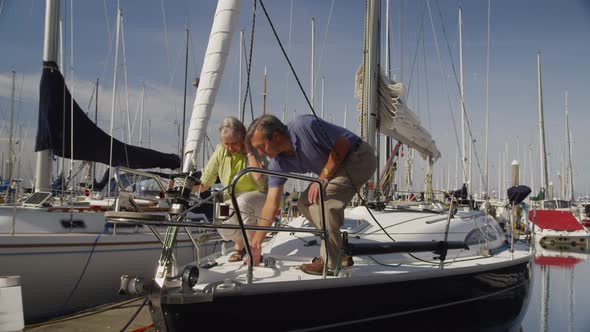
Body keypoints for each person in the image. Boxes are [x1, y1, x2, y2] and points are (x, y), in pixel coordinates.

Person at [246, 114, 377, 275]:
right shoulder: (277, 164)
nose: (260, 153)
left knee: (325, 202)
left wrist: (321, 178)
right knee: (304, 203)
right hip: (336, 168)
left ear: (276, 136)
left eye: (261, 146)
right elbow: (271, 204)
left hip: (358, 156)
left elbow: (342, 144)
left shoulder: (304, 126)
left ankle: (331, 263)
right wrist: (256, 244)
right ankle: (338, 252)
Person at [196, 116, 266, 262]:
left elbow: (261, 177)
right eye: (226, 143)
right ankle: (240, 243)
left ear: (243, 137)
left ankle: (253, 249)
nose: (230, 148)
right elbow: (205, 184)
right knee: (219, 218)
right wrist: (184, 188)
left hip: (263, 195)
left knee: (242, 204)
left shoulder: (255, 147)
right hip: (234, 198)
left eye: (234, 143)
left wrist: (248, 149)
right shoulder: (221, 151)